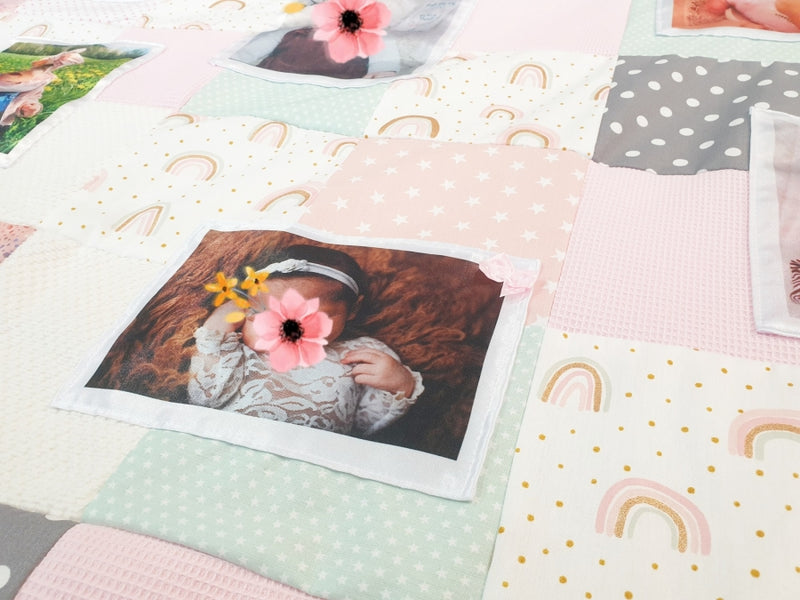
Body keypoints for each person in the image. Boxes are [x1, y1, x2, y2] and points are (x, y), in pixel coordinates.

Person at [187, 244, 424, 437]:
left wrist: (399, 386)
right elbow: (204, 397)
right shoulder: (240, 342)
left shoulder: (361, 353)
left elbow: (364, 428)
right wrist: (217, 329)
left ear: (353, 310)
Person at [0, 48, 85, 128]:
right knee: (33, 80)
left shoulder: (13, 105)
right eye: (31, 105)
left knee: (32, 80)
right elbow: (35, 77)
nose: (27, 107)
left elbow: (34, 79)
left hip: (11, 94)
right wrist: (55, 62)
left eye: (22, 111)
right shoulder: (29, 89)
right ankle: (55, 61)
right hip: (15, 88)